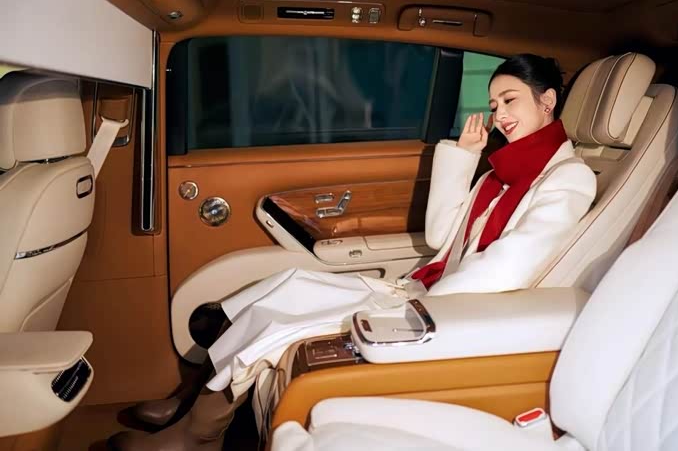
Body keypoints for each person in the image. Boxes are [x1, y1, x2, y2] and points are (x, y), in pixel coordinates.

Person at [108, 54, 597, 450]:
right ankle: (190, 400)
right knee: (289, 284)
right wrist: (466, 157)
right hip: (425, 287)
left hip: (447, 307)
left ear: (547, 100)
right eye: (493, 105)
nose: (499, 116)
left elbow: (509, 266)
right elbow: (440, 235)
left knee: (285, 321)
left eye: (509, 101)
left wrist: (422, 307)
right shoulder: (500, 172)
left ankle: (196, 435)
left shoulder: (567, 177)